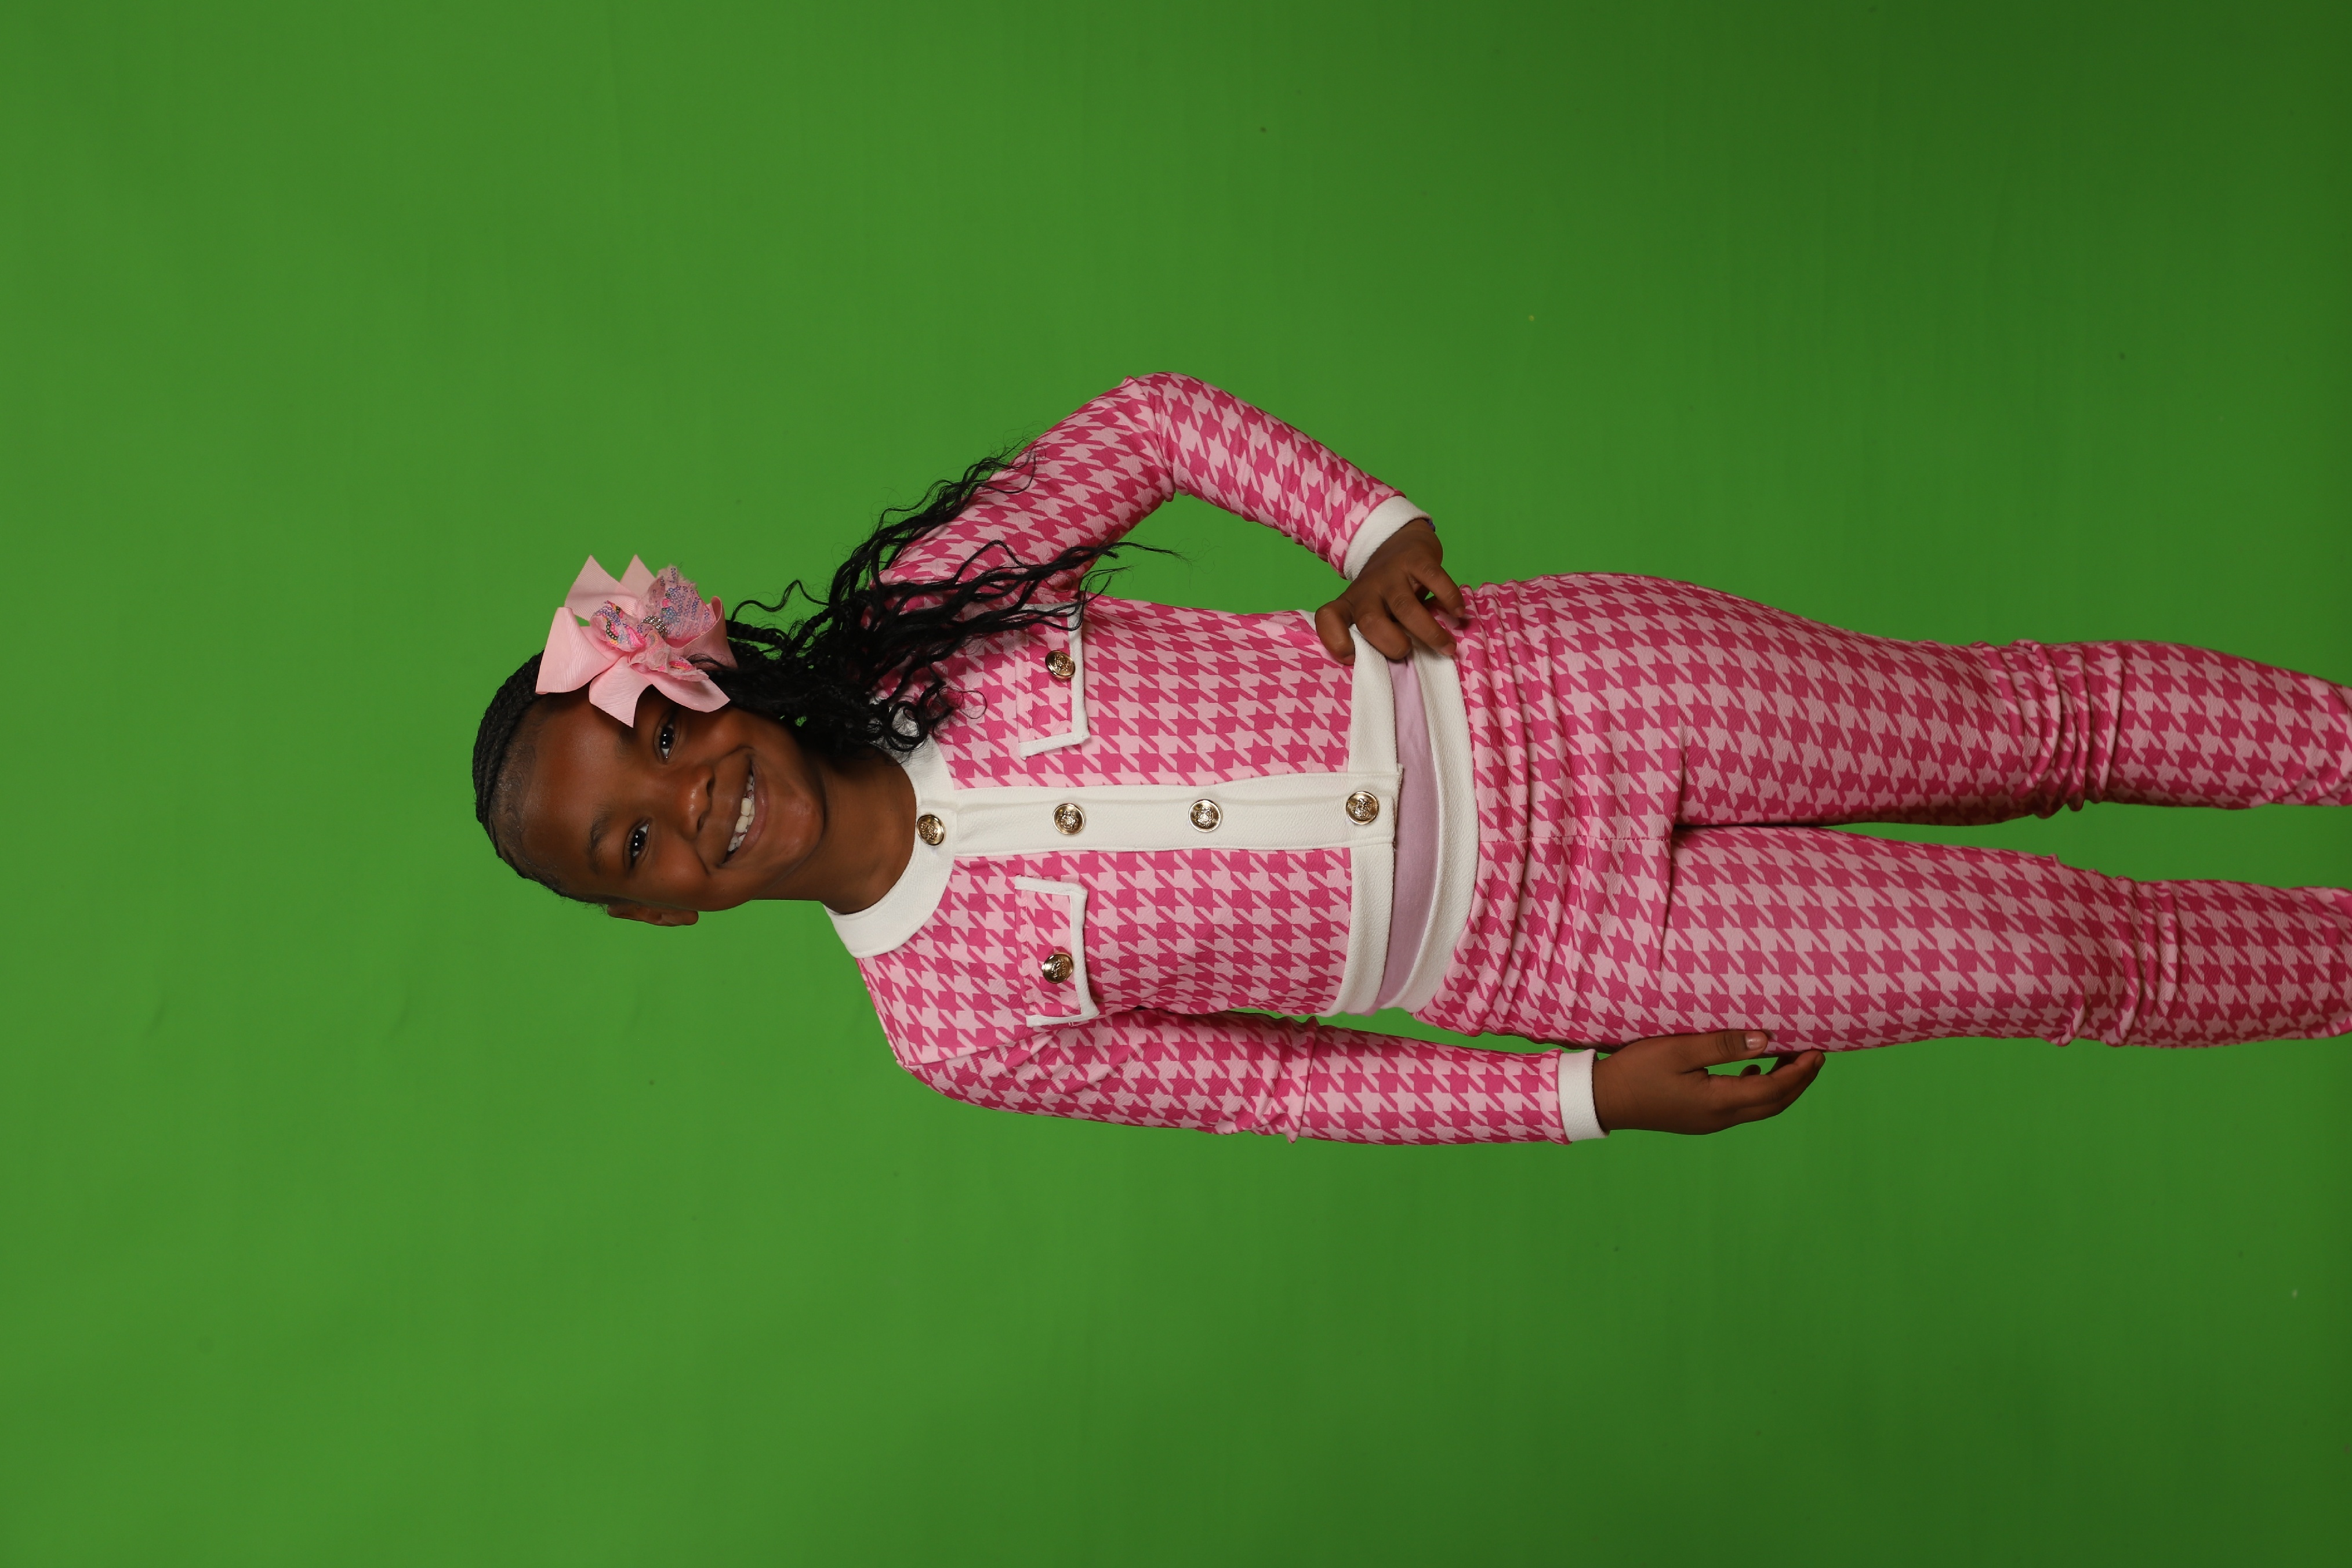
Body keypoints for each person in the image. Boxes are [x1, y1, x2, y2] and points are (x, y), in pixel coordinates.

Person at [469, 374, 2352, 1147]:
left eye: (656, 746)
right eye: (632, 849)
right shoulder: (945, 1031)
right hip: (1571, 955)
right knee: (2054, 957)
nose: (687, 806)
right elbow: (1285, 1092)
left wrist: (1365, 528)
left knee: (2022, 730)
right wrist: (1577, 1099)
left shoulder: (936, 613)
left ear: (690, 680)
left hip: (1567, 689)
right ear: (658, 914)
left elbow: (1153, 423)